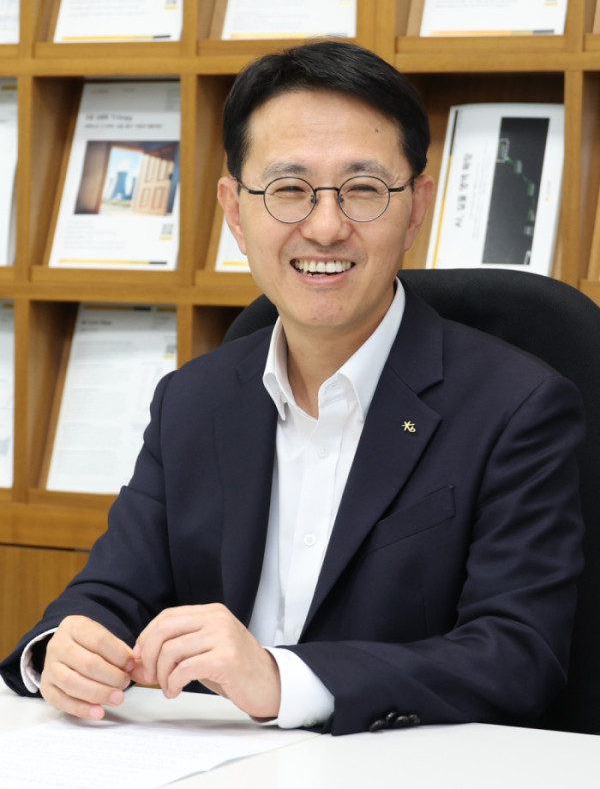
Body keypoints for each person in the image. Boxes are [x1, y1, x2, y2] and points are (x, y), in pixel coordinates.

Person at [0, 41, 584, 736]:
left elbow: (517, 655)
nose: (326, 226)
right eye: (288, 189)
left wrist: (284, 680)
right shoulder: (192, 400)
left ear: (416, 207)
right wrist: (61, 652)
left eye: (363, 189)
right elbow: (107, 595)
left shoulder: (518, 406)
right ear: (235, 211)